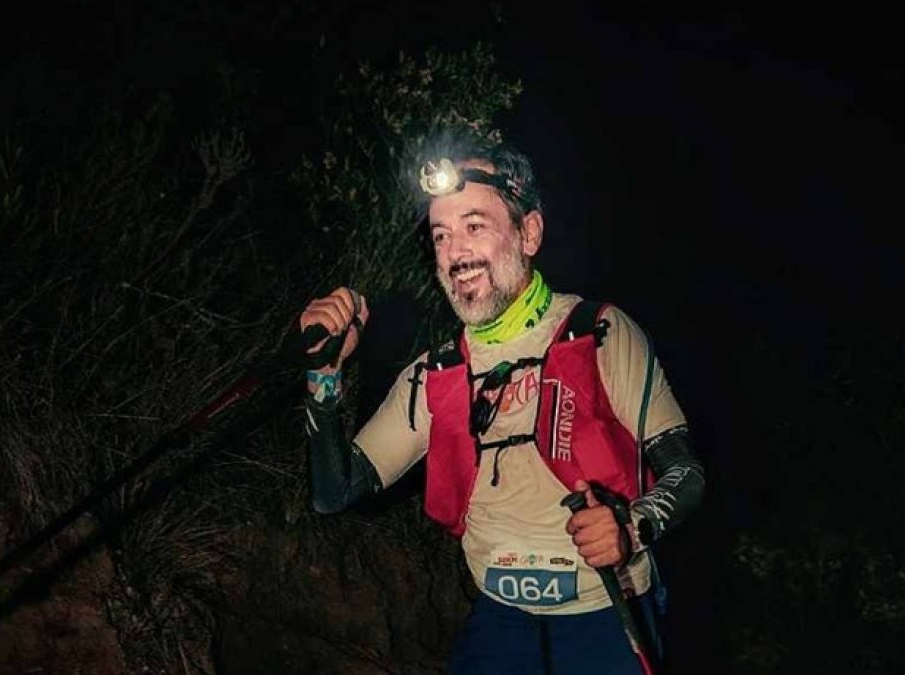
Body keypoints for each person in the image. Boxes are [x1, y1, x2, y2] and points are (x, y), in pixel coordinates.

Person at [298, 131, 705, 674]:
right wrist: (324, 374)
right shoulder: (434, 374)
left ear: (528, 232)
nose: (455, 252)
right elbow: (333, 491)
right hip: (500, 624)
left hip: (606, 615)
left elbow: (686, 473)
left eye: (474, 226)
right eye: (441, 235)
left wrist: (631, 526)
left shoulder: (599, 331)